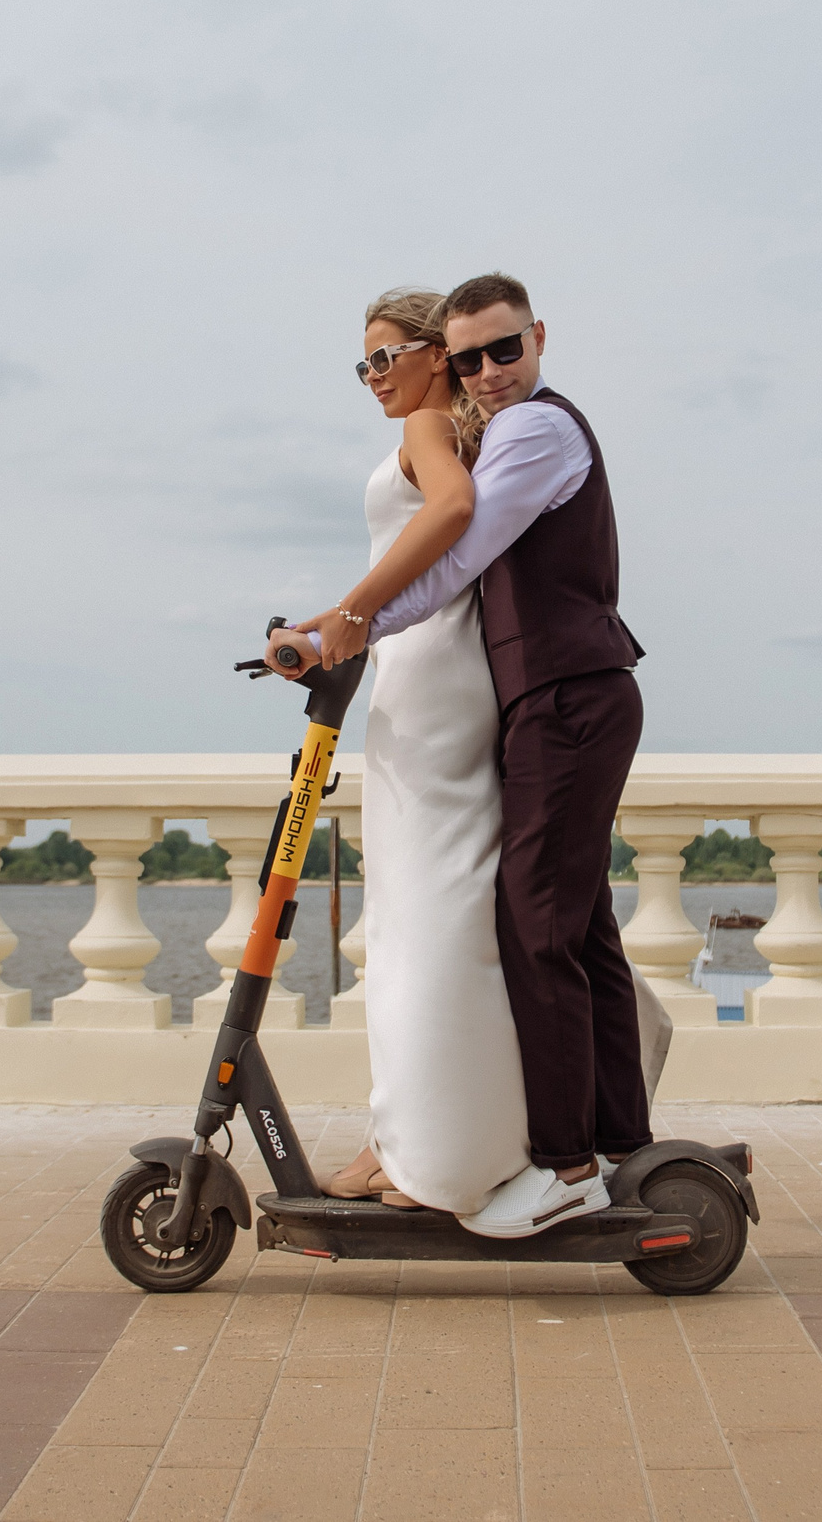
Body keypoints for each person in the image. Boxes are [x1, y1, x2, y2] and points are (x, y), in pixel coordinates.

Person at [280, 271, 650, 1238]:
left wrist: (348, 619)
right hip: (522, 690)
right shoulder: (491, 428)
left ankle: (565, 1165)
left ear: (538, 337)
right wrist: (340, 624)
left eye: (503, 349)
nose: (489, 369)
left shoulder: (529, 429)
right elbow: (451, 560)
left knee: (525, 925)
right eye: (473, 355)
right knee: (566, 925)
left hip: (549, 691)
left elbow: (457, 542)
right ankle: (605, 1138)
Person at [298, 288, 533, 1215]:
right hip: (431, 670)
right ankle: (420, 1140)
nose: (372, 377)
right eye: (362, 364)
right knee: (434, 920)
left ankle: (422, 1151)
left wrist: (354, 609)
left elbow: (452, 509)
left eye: (384, 357)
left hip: (429, 682)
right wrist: (338, 619)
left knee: (417, 926)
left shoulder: (431, 426)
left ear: (437, 354)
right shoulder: (456, 426)